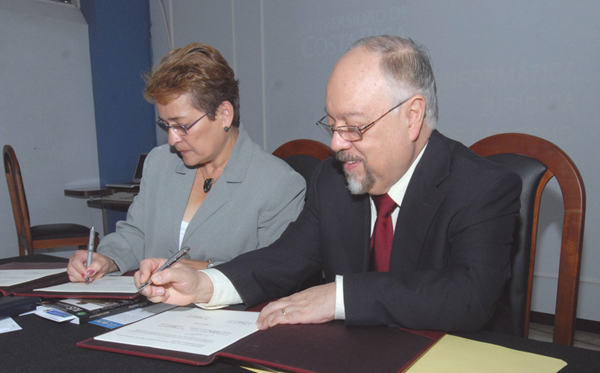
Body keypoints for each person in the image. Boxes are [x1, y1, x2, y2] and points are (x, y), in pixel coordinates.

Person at [136, 35, 522, 334]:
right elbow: (284, 260)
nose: (337, 144)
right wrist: (203, 284)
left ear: (412, 117)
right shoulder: (332, 180)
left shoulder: (482, 186)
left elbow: (469, 297)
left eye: (354, 127)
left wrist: (339, 297)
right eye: (332, 126)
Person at [67, 43, 305, 282]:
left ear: (224, 114)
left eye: (182, 125)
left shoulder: (278, 184)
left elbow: (275, 273)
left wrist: (204, 269)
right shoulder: (160, 163)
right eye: (166, 125)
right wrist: (107, 259)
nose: (172, 139)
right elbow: (137, 233)